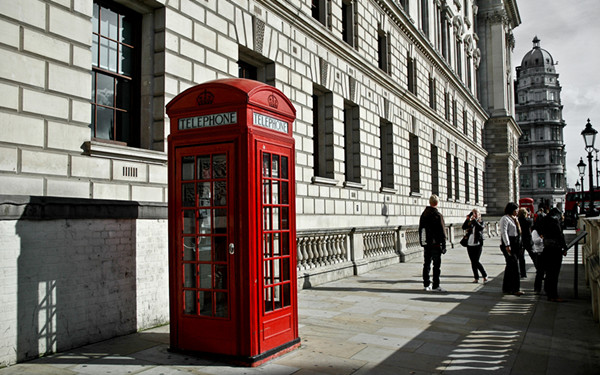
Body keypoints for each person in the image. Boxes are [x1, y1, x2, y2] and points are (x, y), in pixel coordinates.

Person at [537, 207, 568, 302]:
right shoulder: (555, 221)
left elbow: (538, 229)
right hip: (555, 249)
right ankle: (553, 295)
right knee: (554, 273)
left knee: (549, 272)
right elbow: (560, 235)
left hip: (547, 248)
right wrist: (564, 247)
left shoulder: (544, 219)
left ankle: (547, 290)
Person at [419, 195, 447, 292]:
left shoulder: (424, 215)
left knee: (426, 264)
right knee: (436, 266)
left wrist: (422, 242)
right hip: (435, 244)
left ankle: (426, 284)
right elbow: (442, 231)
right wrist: (443, 245)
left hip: (427, 243)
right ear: (437, 203)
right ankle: (436, 285)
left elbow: (421, 229)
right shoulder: (438, 215)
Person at [499, 202, 524, 296]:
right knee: (514, 266)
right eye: (515, 210)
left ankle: (506, 288)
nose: (517, 212)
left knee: (510, 267)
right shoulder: (505, 219)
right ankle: (515, 288)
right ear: (511, 210)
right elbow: (504, 232)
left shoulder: (514, 219)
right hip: (509, 244)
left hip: (516, 244)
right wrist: (507, 245)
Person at [461, 208, 488, 283]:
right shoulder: (471, 222)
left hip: (478, 244)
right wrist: (467, 219)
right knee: (473, 262)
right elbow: (464, 227)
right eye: (473, 213)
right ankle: (476, 277)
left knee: (476, 261)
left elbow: (481, 228)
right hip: (470, 244)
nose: (474, 215)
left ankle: (484, 275)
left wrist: (474, 220)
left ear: (479, 215)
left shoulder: (481, 222)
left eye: (476, 213)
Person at [517, 208, 535, 277]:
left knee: (521, 258)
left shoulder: (518, 221)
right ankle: (539, 268)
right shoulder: (529, 220)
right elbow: (532, 224)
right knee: (533, 255)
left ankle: (523, 273)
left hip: (521, 240)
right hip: (528, 239)